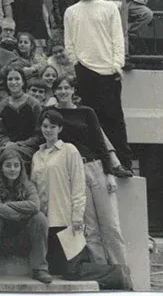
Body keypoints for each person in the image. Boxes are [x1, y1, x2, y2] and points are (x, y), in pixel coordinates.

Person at [31, 109, 133, 289]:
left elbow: (78, 187)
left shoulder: (69, 151)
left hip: (65, 221)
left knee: (73, 270)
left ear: (60, 128)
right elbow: (34, 186)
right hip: (47, 222)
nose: (48, 130)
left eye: (52, 126)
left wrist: (77, 217)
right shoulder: (37, 156)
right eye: (45, 126)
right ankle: (113, 275)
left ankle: (119, 275)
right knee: (57, 268)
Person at [64, 0, 133, 175]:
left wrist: (116, 65)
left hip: (108, 72)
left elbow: (117, 38)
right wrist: (77, 63)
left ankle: (123, 163)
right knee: (91, 120)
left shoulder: (109, 8)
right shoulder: (71, 11)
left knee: (114, 119)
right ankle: (102, 162)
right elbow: (69, 43)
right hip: (85, 71)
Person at [52, 76, 128, 264]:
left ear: (72, 90)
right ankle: (102, 272)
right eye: (59, 88)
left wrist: (109, 174)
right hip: (74, 172)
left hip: (95, 167)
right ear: (54, 92)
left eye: (66, 88)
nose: (63, 91)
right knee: (90, 228)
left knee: (111, 224)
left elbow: (100, 143)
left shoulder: (86, 112)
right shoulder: (52, 115)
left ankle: (121, 272)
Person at [0, 147, 52, 284]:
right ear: (1, 167)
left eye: (16, 165)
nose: (12, 169)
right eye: (8, 165)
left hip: (23, 235)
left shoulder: (28, 185)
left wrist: (8, 204)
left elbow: (35, 205)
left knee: (40, 218)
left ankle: (40, 268)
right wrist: (22, 212)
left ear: (21, 168)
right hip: (1, 235)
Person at [0, 67, 42, 177]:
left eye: (17, 79)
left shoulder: (34, 104)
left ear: (23, 82)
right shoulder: (3, 104)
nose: (13, 82)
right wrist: (6, 143)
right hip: (9, 146)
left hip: (29, 148)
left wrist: (19, 144)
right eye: (10, 79)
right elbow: (1, 134)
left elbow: (39, 135)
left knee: (10, 153)